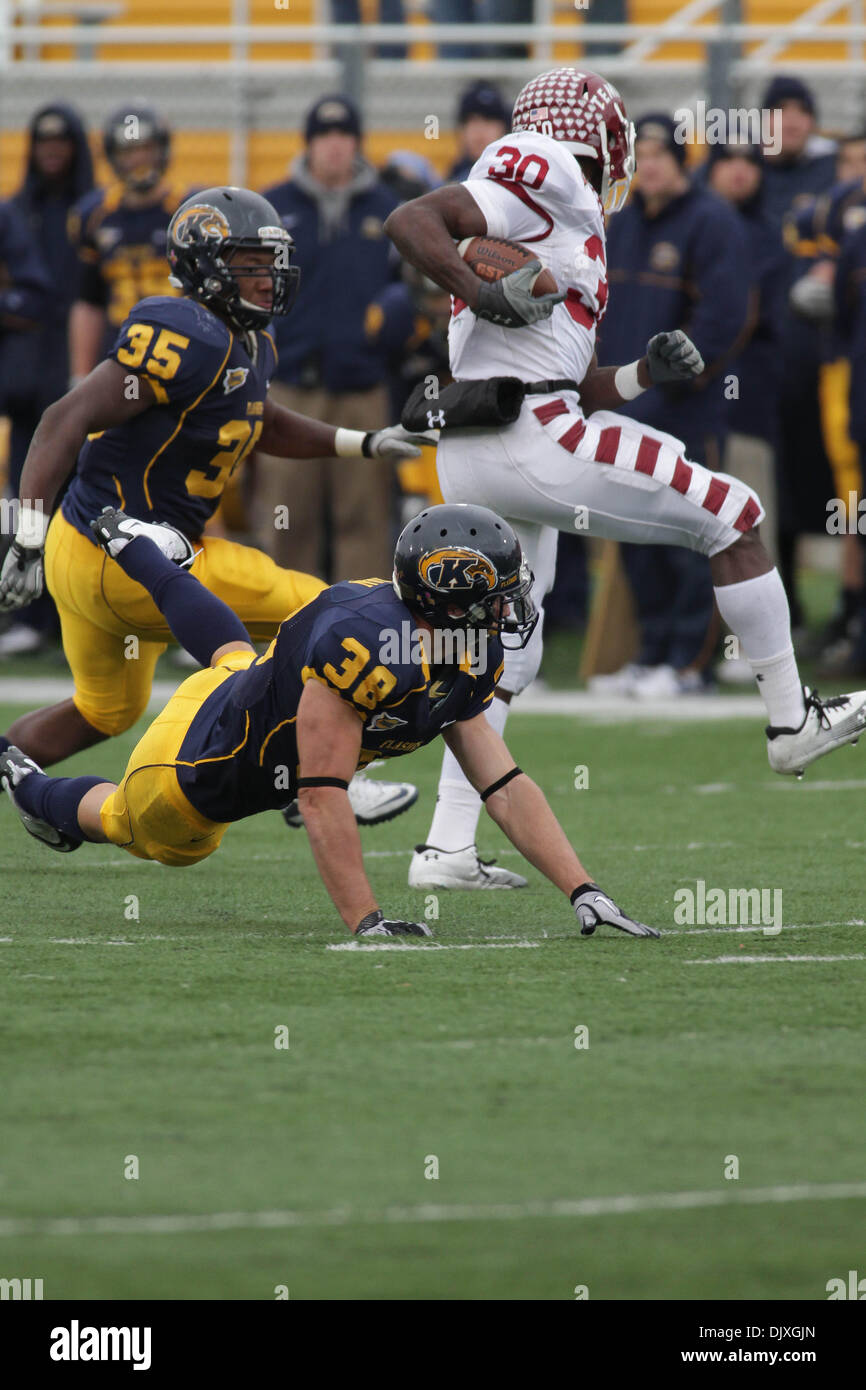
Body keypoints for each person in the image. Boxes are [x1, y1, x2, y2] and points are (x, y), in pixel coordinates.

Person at [384, 66, 866, 891]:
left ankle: (447, 847)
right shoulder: (548, 168)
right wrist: (478, 288)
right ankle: (791, 721)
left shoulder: (558, 217)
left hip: (484, 440)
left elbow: (568, 376)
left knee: (511, 650)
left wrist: (641, 374)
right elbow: (411, 219)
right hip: (531, 438)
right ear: (598, 138)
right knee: (735, 512)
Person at [0, 501, 659, 942]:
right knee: (141, 831)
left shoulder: (461, 645)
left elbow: (505, 782)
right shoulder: (367, 650)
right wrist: (366, 922)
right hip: (196, 763)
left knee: (234, 658)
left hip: (250, 693)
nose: (510, 610)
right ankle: (27, 783)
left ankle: (137, 549)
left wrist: (585, 890)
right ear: (449, 599)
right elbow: (318, 793)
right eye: (497, 595)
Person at [0, 186, 432, 828]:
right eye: (251, 264)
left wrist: (361, 443)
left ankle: (11, 766)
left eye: (271, 262)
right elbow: (68, 415)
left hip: (91, 547)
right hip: (127, 554)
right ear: (206, 266)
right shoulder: (184, 332)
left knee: (105, 711)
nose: (269, 277)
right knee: (321, 612)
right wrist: (24, 532)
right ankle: (318, 775)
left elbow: (257, 420)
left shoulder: (247, 344)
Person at [593, 113, 754, 699]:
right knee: (639, 536)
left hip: (687, 409)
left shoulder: (713, 222)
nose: (651, 162)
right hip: (625, 406)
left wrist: (680, 379)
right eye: (644, 152)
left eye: (662, 151)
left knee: (693, 536)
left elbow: (728, 315)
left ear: (683, 161)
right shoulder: (619, 221)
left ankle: (693, 664)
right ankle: (653, 652)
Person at [257, 95, 402, 582]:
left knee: (363, 520)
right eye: (325, 136)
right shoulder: (272, 208)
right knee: (286, 517)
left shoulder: (390, 211)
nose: (335, 146)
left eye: (344, 136)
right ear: (309, 143)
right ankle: (282, 636)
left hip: (362, 388)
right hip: (291, 388)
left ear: (357, 143)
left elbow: (413, 294)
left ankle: (360, 631)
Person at [0, 104, 94, 659]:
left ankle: (75, 619)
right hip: (29, 376)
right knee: (27, 495)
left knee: (85, 500)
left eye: (63, 141)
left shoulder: (93, 212)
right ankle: (30, 613)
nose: (52, 151)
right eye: (43, 141)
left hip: (89, 376)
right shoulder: (15, 212)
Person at [760, 76, 838, 630]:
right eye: (781, 116)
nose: (792, 125)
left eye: (799, 114)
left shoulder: (834, 175)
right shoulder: (749, 177)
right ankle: (788, 610)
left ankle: (849, 615)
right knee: (773, 493)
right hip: (766, 362)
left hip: (831, 359)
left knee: (841, 490)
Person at [67, 105, 186, 380]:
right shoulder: (94, 216)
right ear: (112, 155)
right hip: (118, 356)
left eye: (146, 148)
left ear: (162, 150)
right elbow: (89, 302)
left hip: (181, 355)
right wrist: (80, 376)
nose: (139, 159)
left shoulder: (189, 210)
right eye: (128, 151)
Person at [447, 82, 510, 183]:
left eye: (489, 121)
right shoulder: (450, 181)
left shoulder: (517, 177)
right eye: (473, 121)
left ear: (504, 129)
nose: (480, 130)